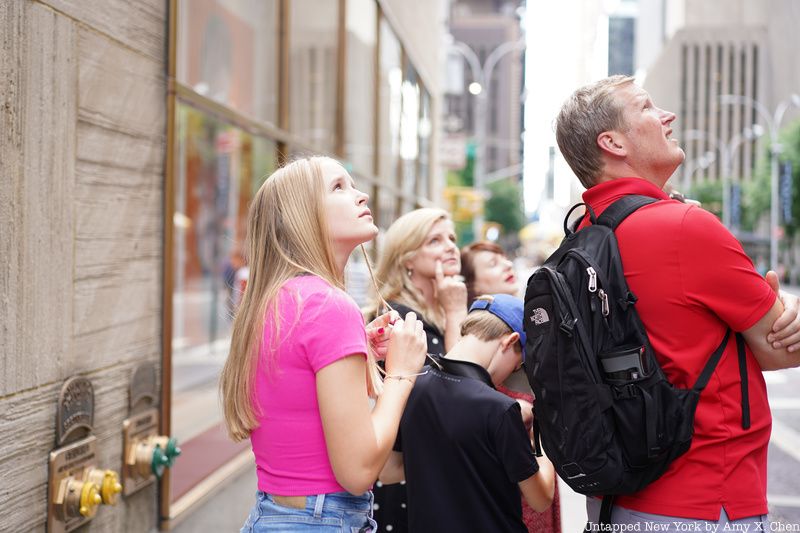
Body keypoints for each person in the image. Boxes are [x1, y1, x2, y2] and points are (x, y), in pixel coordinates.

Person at [554, 75, 800, 529]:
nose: (667, 116)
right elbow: (782, 347)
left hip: (612, 503)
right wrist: (782, 303)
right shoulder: (686, 227)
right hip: (707, 501)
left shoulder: (582, 239)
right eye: (647, 108)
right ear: (613, 142)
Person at [219, 156, 428, 532]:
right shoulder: (329, 306)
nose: (361, 195)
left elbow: (297, 388)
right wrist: (402, 372)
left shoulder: (276, 301)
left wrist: (358, 347)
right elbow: (359, 470)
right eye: (339, 187)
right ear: (304, 216)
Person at [379, 294, 555, 532]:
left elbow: (388, 472)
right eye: (517, 365)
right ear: (509, 341)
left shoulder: (412, 384)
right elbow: (541, 498)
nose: (510, 373)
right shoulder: (499, 408)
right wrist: (539, 439)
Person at [369, 207, 468, 532]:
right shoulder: (398, 318)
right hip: (406, 488)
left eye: (452, 238)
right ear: (407, 258)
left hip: (432, 478)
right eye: (435, 240)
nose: (451, 246)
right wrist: (455, 312)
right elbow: (454, 397)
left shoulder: (434, 313)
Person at [460, 241, 562, 533]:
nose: (506, 265)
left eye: (504, 259)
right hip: (513, 477)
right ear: (473, 286)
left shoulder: (532, 325)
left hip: (534, 469)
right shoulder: (482, 355)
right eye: (491, 264)